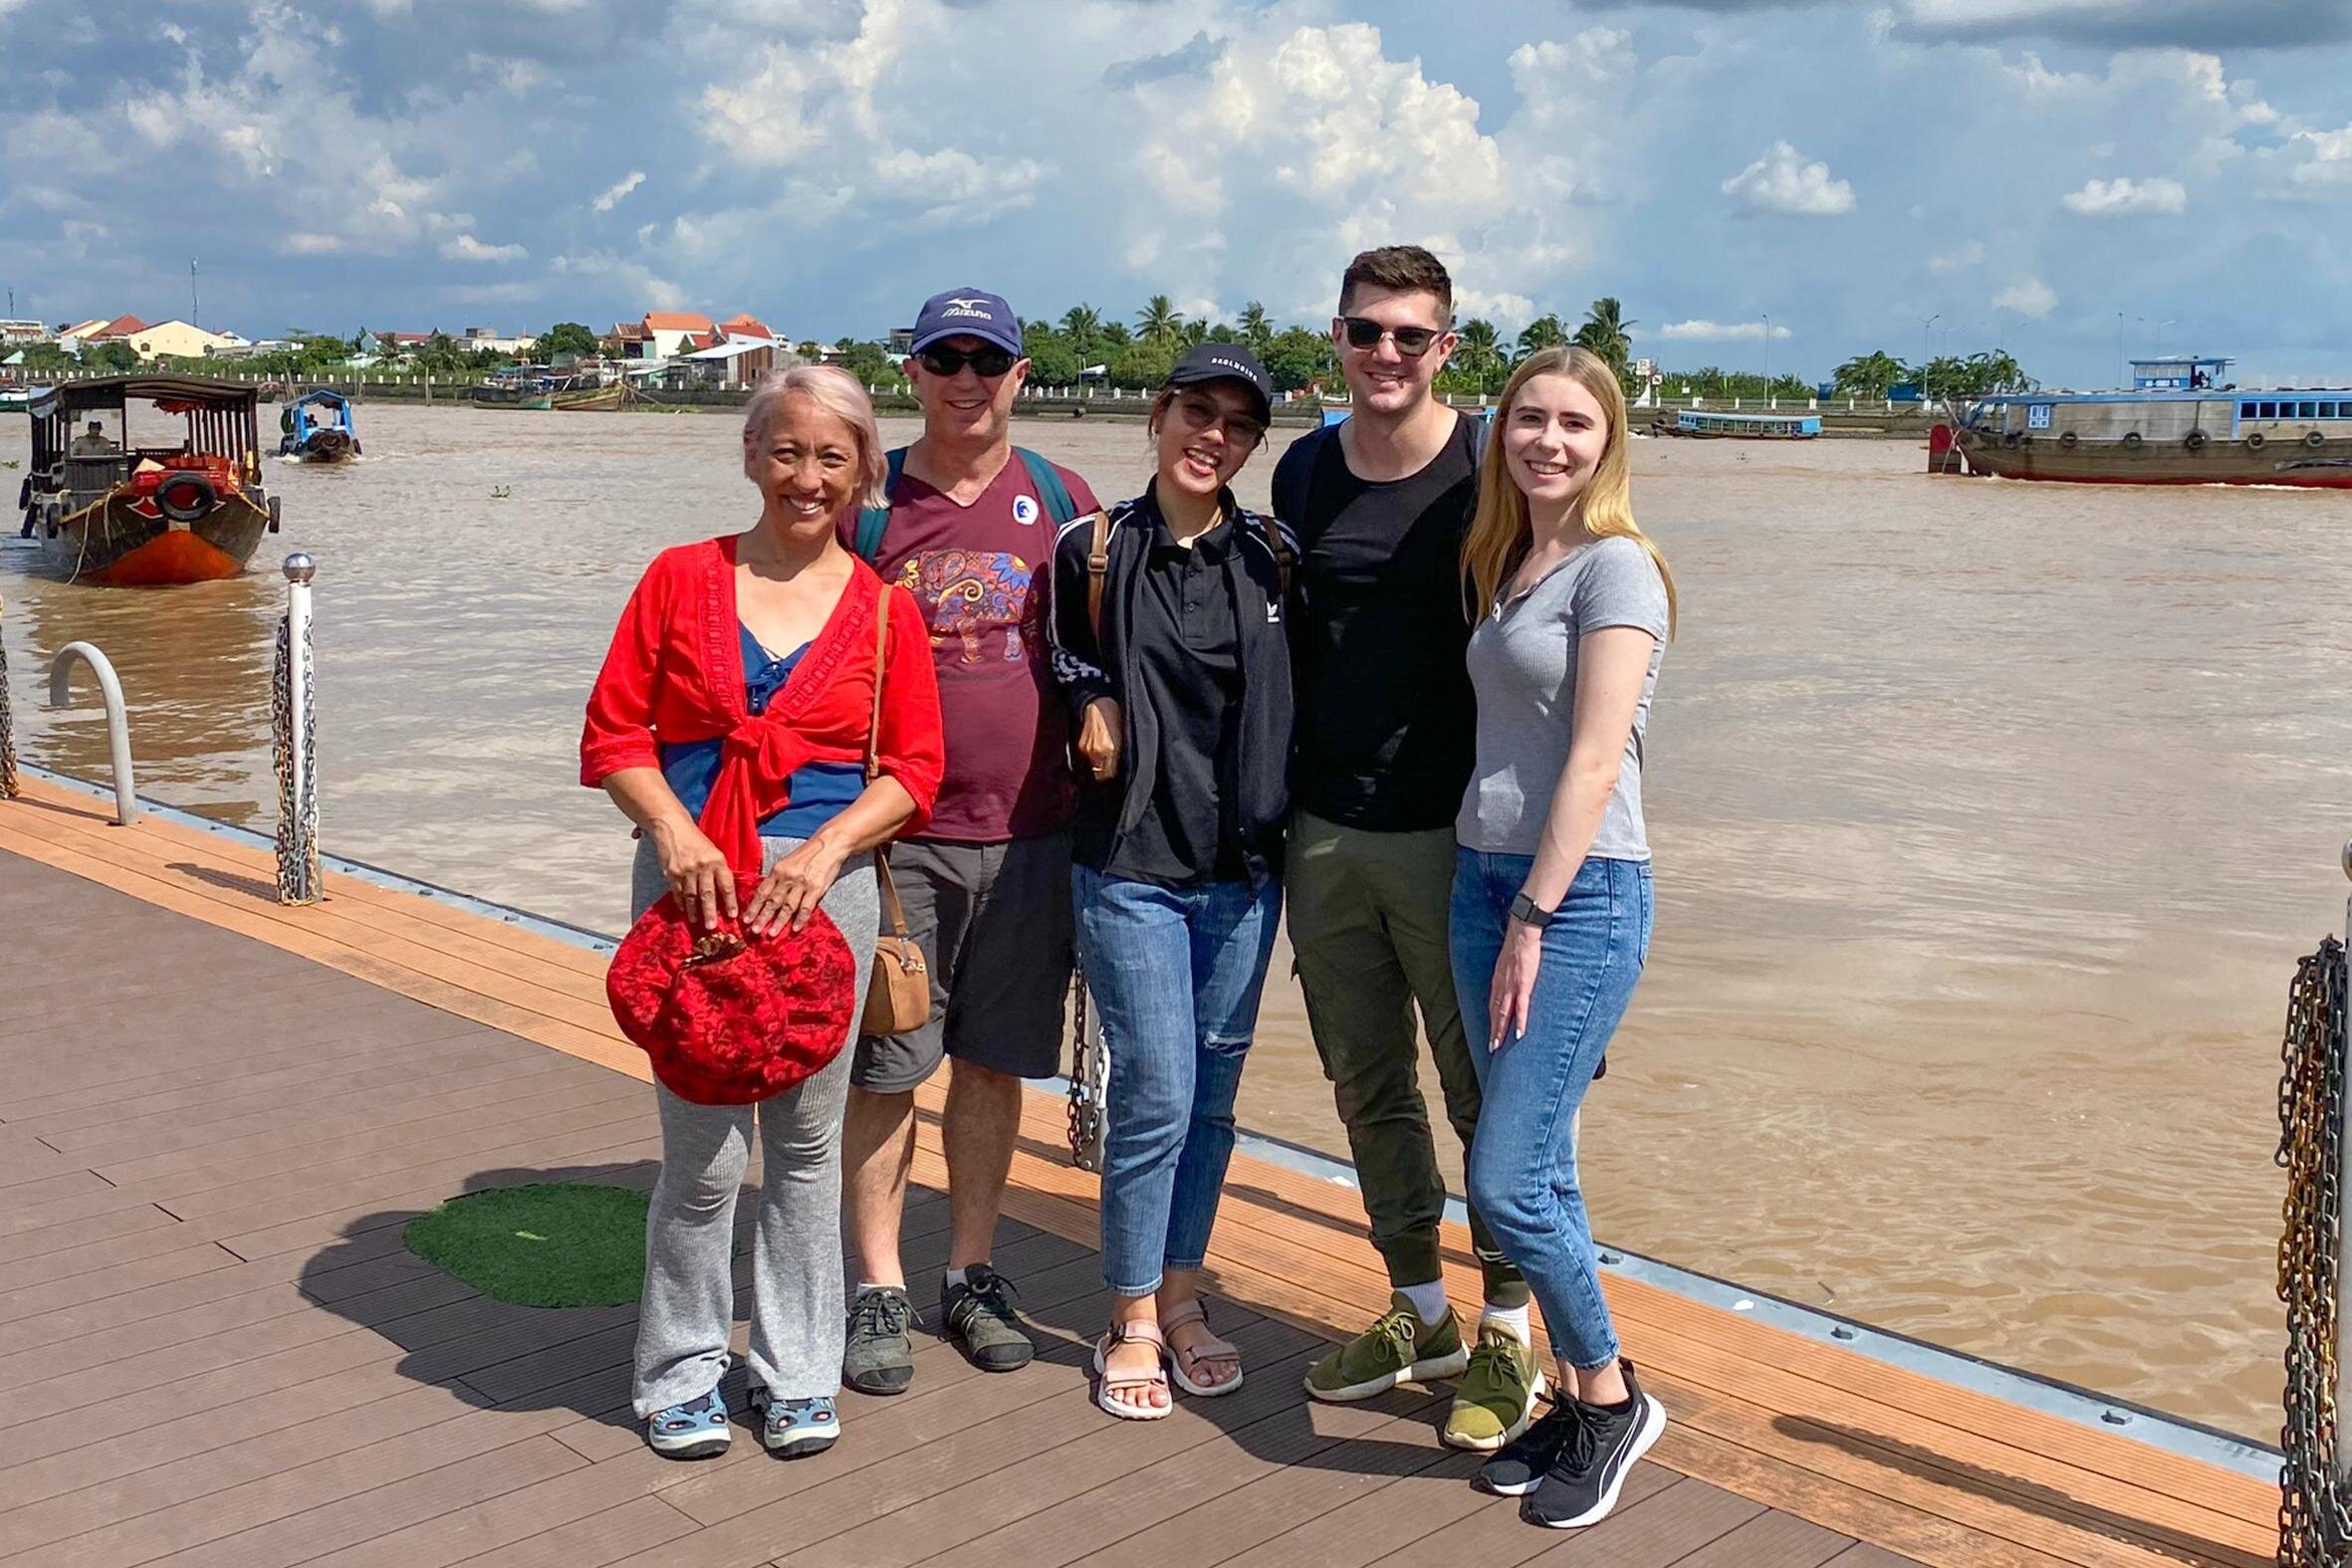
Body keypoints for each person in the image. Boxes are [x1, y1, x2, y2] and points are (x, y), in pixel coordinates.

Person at [581, 365, 945, 1461]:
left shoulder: (884, 612)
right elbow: (614, 734)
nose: (807, 477)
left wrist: (828, 850)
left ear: (863, 472)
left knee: (805, 1147)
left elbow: (915, 768)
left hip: (821, 897)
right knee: (700, 1155)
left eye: (832, 457)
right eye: (787, 451)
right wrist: (672, 828)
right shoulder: (677, 577)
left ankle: (796, 1368)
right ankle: (681, 1368)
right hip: (690, 886)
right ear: (751, 457)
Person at [1277, 245, 1538, 1451]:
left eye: (1409, 335)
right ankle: (1418, 1311)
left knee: (1485, 1094)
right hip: (1327, 830)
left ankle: (1509, 1328)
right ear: (1335, 339)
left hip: (1460, 834)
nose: (1385, 353)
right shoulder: (1304, 469)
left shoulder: (1492, 466)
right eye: (1364, 330)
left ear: (1447, 347)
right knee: (1366, 1082)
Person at [836, 288, 1101, 1396]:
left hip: (1034, 833)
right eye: (943, 358)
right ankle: (877, 1284)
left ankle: (971, 1270)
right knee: (888, 1066)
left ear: (1019, 374)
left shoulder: (1064, 498)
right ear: (911, 371)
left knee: (992, 1065)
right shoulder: (865, 503)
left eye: (985, 360)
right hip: (900, 842)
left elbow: (1104, 653)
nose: (965, 380)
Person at [1451, 345, 1675, 1528]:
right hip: (1481, 880)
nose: (1548, 440)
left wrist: (1534, 916)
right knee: (1542, 1169)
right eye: (1528, 418)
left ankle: (1610, 1394)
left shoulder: (1616, 567)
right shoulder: (1511, 559)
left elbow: (1593, 762)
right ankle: (1584, 1404)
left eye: (1574, 424)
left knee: (1504, 1181)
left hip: (1574, 897)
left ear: (1608, 443)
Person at [1047, 344, 1292, 1420]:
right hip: (1129, 864)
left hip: (1243, 872)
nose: (1212, 437)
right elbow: (1056, 656)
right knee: (1156, 1092)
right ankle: (1132, 1314)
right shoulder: (1092, 548)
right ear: (1158, 415)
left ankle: (1185, 1297)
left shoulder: (1275, 555)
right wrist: (1089, 699)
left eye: (1237, 425)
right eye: (1197, 411)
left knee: (1214, 1101)